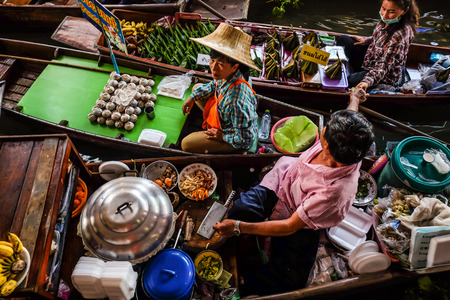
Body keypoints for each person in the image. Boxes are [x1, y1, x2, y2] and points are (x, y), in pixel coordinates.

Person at [212, 89, 374, 296]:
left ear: (325, 142)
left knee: (288, 279)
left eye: (328, 126)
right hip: (286, 178)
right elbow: (350, 119)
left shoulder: (332, 193)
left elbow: (289, 226)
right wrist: (354, 99)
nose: (325, 127)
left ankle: (247, 278)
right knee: (241, 208)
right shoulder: (350, 146)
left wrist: (238, 227)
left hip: (302, 218)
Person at [181, 23, 260, 154]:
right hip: (227, 114)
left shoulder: (236, 102)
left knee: (186, 144)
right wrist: (192, 98)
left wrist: (222, 136)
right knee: (197, 89)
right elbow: (214, 85)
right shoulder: (229, 74)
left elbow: (245, 139)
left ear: (235, 67)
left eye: (220, 64)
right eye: (212, 61)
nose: (213, 68)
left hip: (235, 137)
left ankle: (220, 137)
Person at [337, 0, 419, 90]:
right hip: (371, 60)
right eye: (383, 9)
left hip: (384, 75)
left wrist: (366, 82)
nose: (384, 15)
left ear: (404, 11)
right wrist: (367, 40)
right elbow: (381, 37)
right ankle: (359, 74)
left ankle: (361, 77)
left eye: (391, 12)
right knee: (344, 40)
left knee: (344, 81)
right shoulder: (387, 19)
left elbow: (383, 67)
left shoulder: (401, 34)